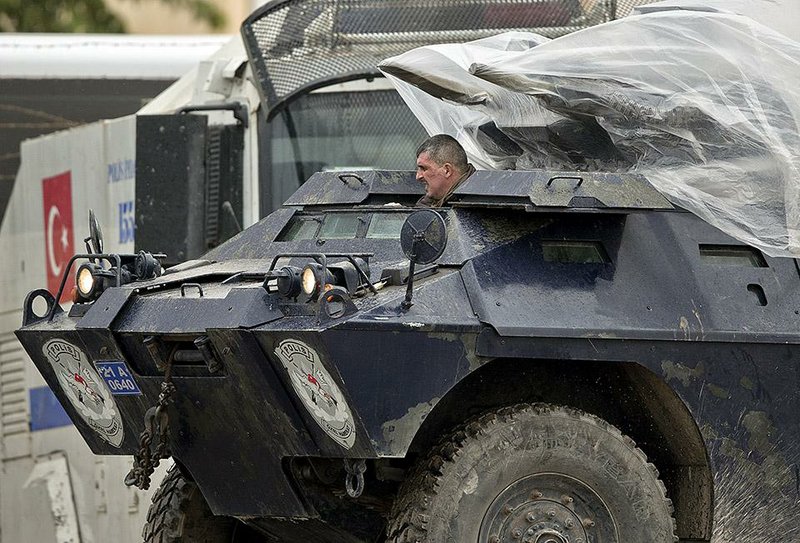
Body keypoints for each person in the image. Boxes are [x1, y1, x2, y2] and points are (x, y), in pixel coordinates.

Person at [415, 134, 475, 208]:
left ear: (447, 170)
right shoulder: (431, 201)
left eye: (423, 168)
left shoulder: (477, 205)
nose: (418, 176)